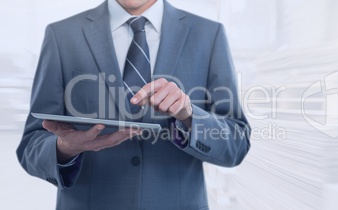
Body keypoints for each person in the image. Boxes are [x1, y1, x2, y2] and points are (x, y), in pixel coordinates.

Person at [17, 0, 250, 209]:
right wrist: (65, 148)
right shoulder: (62, 35)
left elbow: (236, 145)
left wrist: (189, 116)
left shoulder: (209, 35)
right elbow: (31, 147)